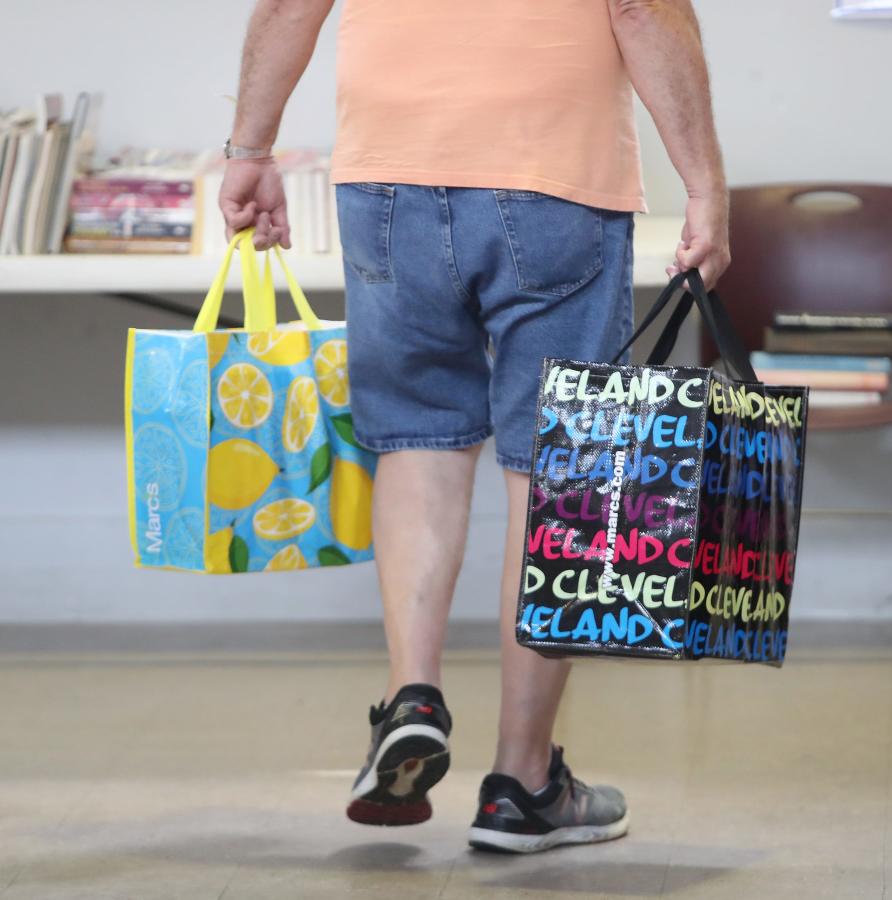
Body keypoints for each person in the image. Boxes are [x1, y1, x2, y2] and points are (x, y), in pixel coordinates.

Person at [220, 0, 730, 854]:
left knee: (418, 440)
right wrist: (706, 184)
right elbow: (641, 7)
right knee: (554, 469)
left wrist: (250, 147)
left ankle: (413, 698)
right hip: (556, 179)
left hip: (387, 179)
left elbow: (286, 5)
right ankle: (522, 782)